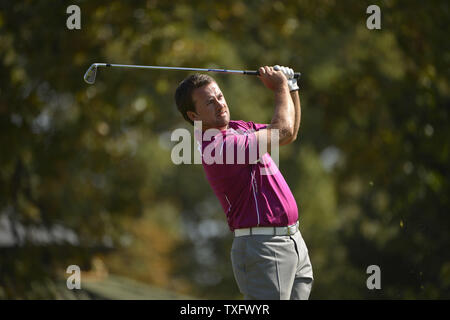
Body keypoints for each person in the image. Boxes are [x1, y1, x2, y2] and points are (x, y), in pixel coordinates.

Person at [174, 65, 313, 300]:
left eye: (219, 96)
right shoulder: (218, 147)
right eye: (210, 102)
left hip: (292, 240)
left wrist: (291, 86)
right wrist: (280, 87)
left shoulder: (238, 128)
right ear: (194, 116)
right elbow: (283, 130)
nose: (220, 104)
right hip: (264, 248)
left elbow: (291, 134)